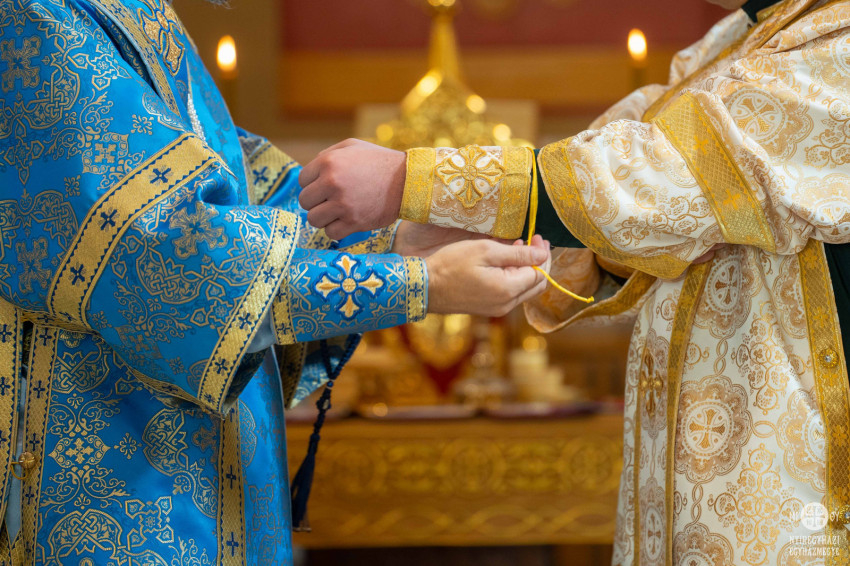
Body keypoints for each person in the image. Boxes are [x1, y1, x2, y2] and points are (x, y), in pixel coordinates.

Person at [0, 0, 551, 563]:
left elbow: (251, 195)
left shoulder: (141, 14)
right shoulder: (40, 15)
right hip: (118, 479)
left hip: (213, 468)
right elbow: (169, 259)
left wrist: (395, 238)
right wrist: (418, 281)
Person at [299, 0, 850, 563]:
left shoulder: (838, 33)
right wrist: (467, 226)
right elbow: (618, 171)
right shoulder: (731, 40)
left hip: (796, 479)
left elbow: (668, 171)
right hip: (703, 472)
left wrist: (408, 180)